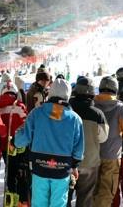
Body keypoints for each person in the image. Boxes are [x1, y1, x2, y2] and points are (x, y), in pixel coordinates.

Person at [14, 78, 84, 207]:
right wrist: (75, 165)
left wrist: (15, 140)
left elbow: (21, 140)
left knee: (39, 202)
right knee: (58, 203)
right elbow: (78, 148)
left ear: (50, 93)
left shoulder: (36, 113)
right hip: (62, 168)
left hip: (39, 166)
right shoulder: (75, 119)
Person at [93, 76, 123, 207]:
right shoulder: (119, 107)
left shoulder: (92, 104)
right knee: (106, 193)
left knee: (91, 192)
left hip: (91, 155)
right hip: (111, 157)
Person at [67, 77, 109, 207]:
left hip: (67, 161)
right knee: (85, 198)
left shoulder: (66, 111)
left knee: (64, 197)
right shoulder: (98, 114)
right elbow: (103, 137)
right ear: (91, 93)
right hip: (89, 162)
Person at [0, 91, 29, 207]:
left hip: (5, 145)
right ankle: (21, 201)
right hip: (19, 145)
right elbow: (27, 125)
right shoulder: (20, 107)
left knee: (9, 172)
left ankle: (10, 201)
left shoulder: (0, 108)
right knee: (20, 173)